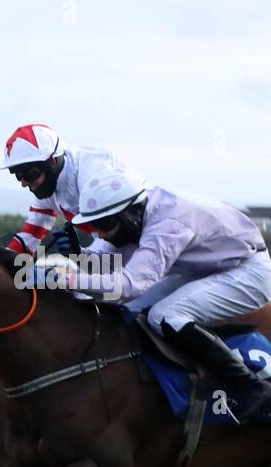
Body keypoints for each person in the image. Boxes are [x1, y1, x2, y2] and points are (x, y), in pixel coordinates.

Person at [67, 167, 271, 422]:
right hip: (208, 268)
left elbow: (129, 284)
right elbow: (104, 262)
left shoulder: (167, 224)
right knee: (128, 309)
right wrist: (75, 258)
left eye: (105, 225)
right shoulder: (138, 211)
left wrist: (68, 279)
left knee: (165, 316)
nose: (100, 233)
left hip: (248, 272)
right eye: (93, 225)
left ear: (131, 212)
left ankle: (252, 387)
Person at [0, 122, 144, 256]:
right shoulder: (48, 185)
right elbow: (30, 236)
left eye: (29, 173)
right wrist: (1, 261)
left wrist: (79, 255)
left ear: (52, 161)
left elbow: (115, 246)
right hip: (118, 249)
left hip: (145, 242)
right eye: (18, 175)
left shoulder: (91, 176)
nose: (24, 183)